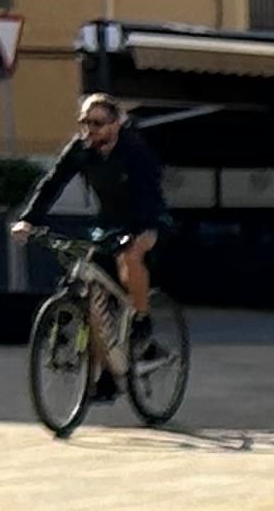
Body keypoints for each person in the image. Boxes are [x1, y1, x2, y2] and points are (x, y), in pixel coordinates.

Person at [11, 92, 169, 386]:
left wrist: (140, 231)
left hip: (147, 219)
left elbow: (150, 190)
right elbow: (52, 183)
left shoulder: (134, 150)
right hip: (108, 225)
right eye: (85, 122)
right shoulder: (80, 149)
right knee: (94, 296)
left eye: (97, 123)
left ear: (115, 124)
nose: (90, 129)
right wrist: (28, 220)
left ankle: (142, 321)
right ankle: (105, 374)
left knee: (129, 257)